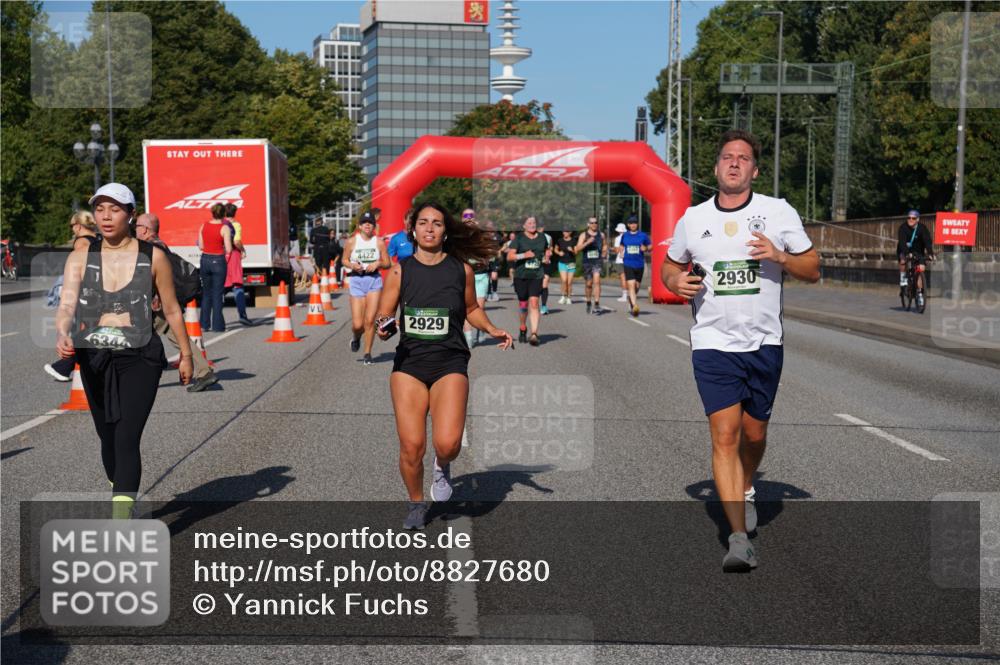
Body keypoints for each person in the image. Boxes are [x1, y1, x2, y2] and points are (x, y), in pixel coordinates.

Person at [662, 129, 819, 572]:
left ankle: (746, 484)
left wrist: (781, 256)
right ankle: (737, 539)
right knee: (724, 436)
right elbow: (671, 265)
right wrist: (676, 282)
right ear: (716, 169)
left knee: (753, 435)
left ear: (754, 169)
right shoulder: (692, 219)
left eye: (743, 158)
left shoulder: (777, 212)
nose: (734, 163)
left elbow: (813, 268)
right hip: (713, 343)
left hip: (765, 343)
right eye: (727, 157)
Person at [55, 183, 194, 519]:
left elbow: (173, 309)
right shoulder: (80, 256)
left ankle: (121, 519)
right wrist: (63, 331)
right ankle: (122, 490)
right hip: (95, 355)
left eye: (115, 209)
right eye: (100, 209)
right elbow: (67, 303)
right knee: (107, 433)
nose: (106, 216)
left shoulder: (153, 256)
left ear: (131, 214)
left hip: (141, 355)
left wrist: (188, 355)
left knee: (127, 434)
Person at [375, 202, 513, 529]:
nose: (429, 228)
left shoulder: (460, 269)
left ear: (445, 231)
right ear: (414, 230)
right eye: (423, 223)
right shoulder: (400, 271)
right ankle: (416, 504)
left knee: (448, 443)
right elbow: (382, 317)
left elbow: (470, 308)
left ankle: (442, 464)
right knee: (411, 446)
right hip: (409, 364)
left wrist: (491, 328)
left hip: (450, 360)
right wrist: (384, 327)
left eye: (436, 223)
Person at [135, 213, 220, 393]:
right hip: (163, 302)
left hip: (157, 304)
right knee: (176, 337)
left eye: (136, 226)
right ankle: (203, 371)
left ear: (144, 229)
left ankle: (202, 371)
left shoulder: (148, 248)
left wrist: (153, 299)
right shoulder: (160, 245)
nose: (135, 229)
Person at [45, 211, 101, 382]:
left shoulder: (81, 242)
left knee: (82, 332)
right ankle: (66, 366)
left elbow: (82, 270)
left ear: (78, 225)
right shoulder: (98, 240)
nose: (72, 230)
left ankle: (65, 367)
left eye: (72, 226)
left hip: (84, 292)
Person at [343, 211, 390, 364]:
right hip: (356, 281)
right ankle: (356, 337)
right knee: (358, 324)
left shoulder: (379, 242)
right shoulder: (351, 241)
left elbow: (387, 263)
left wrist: (377, 263)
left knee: (369, 320)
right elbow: (344, 259)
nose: (367, 225)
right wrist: (352, 265)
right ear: (359, 226)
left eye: (370, 222)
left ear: (374, 226)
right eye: (364, 222)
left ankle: (367, 353)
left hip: (373, 281)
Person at [507, 216, 550, 346]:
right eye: (529, 223)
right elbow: (509, 256)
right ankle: (522, 327)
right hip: (521, 276)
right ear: (524, 226)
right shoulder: (519, 238)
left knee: (534, 302)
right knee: (523, 305)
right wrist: (524, 255)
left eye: (534, 222)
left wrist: (546, 257)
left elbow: (547, 250)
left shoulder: (542, 237)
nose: (532, 225)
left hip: (537, 275)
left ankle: (534, 334)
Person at [198, 203, 233, 332]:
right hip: (218, 260)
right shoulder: (224, 228)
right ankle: (218, 326)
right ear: (224, 214)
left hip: (205, 259)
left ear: (212, 213)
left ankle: (204, 324)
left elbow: (201, 246)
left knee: (206, 293)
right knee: (217, 294)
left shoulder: (204, 226)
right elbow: (229, 248)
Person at [460, 209, 490, 347]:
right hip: (464, 276)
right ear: (461, 218)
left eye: (471, 216)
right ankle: (468, 337)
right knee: (467, 308)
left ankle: (481, 328)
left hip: (481, 275)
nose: (469, 218)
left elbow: (489, 252)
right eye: (466, 216)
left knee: (480, 307)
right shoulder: (457, 235)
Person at [896, 209, 934, 309]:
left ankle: (919, 293)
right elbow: (902, 242)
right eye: (909, 217)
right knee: (903, 259)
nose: (910, 220)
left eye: (913, 218)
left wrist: (930, 253)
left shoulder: (922, 228)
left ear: (918, 219)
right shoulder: (903, 228)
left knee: (921, 269)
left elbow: (927, 241)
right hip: (905, 250)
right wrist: (907, 253)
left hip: (918, 252)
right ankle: (903, 278)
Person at [223, 203, 253, 326]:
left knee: (220, 289)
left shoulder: (221, 224)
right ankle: (242, 315)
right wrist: (243, 250)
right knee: (238, 286)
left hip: (221, 257)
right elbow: (236, 241)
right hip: (233, 255)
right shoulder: (236, 225)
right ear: (235, 213)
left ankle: (218, 319)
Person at [617, 215, 651, 317]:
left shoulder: (643, 235)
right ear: (628, 225)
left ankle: (631, 300)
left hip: (639, 264)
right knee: (631, 285)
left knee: (636, 286)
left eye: (635, 223)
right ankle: (634, 306)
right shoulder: (625, 236)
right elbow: (622, 245)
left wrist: (646, 248)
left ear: (637, 224)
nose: (633, 225)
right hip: (628, 263)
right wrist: (621, 251)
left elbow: (650, 245)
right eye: (631, 223)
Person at [575, 216, 607, 314]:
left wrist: (604, 253)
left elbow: (605, 245)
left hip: (597, 261)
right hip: (587, 262)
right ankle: (589, 302)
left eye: (595, 222)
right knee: (589, 284)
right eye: (592, 223)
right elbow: (577, 249)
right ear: (588, 224)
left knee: (597, 281)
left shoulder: (601, 235)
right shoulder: (583, 235)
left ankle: (596, 303)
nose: (594, 224)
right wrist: (587, 242)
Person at [553, 225, 578, 304]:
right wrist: (558, 252)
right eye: (564, 231)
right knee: (564, 280)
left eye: (567, 231)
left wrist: (572, 251)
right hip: (562, 262)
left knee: (569, 282)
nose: (565, 233)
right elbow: (555, 249)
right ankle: (563, 296)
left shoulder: (574, 241)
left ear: (570, 232)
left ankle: (569, 298)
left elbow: (576, 252)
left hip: (571, 263)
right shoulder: (560, 240)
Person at [538, 221, 555, 314]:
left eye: (542, 226)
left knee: (545, 284)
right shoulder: (529, 237)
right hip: (534, 264)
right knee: (536, 286)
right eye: (538, 227)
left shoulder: (548, 237)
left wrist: (549, 253)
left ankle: (544, 306)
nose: (540, 228)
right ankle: (533, 304)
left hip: (545, 263)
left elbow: (550, 248)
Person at [485, 220, 502, 302]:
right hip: (485, 259)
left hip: (494, 259)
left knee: (494, 276)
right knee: (487, 277)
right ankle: (488, 293)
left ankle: (494, 292)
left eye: (491, 226)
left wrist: (500, 251)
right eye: (488, 226)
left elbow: (505, 244)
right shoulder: (483, 236)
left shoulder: (497, 236)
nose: (489, 228)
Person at [613, 223, 629, 301]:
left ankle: (624, 295)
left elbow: (616, 251)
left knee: (623, 278)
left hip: (620, 260)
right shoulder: (629, 237)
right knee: (629, 278)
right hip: (629, 259)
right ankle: (632, 293)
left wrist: (615, 248)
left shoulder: (617, 238)